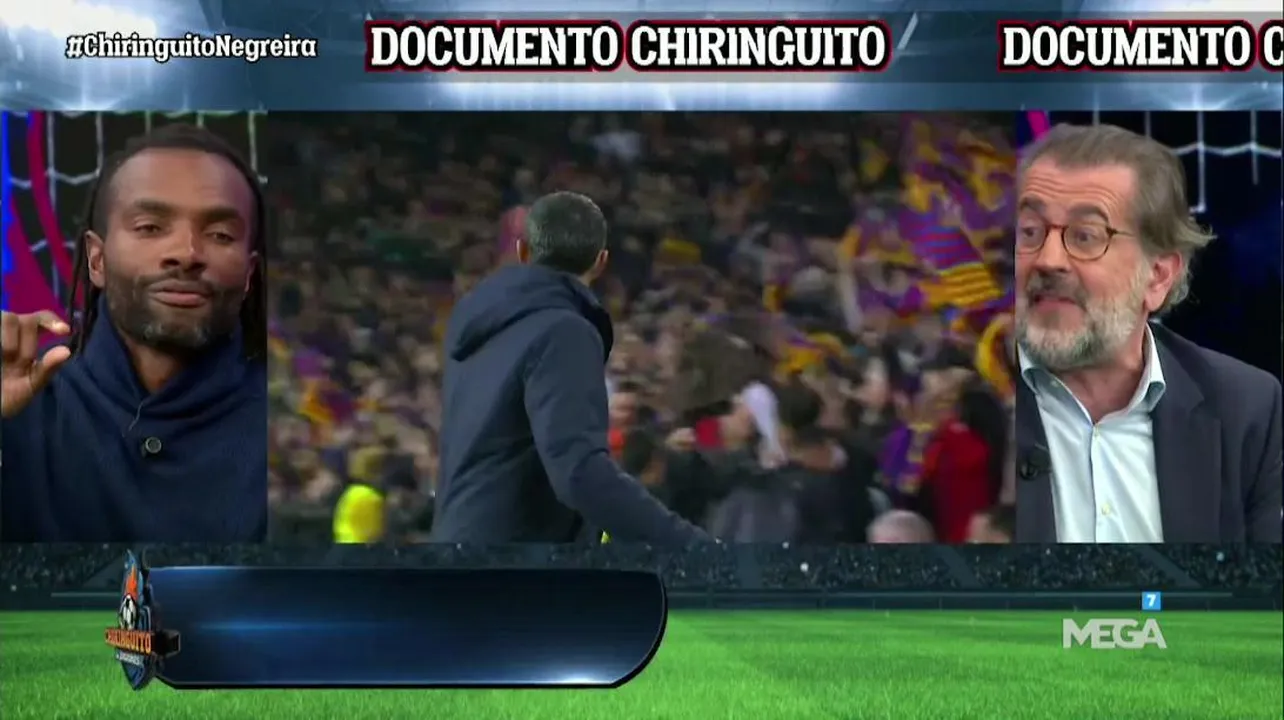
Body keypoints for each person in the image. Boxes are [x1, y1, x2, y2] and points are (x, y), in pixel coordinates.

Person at [1012, 123, 1282, 543]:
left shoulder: (1246, 410)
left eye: (1085, 236)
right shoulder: (976, 405)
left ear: (1157, 277)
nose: (1047, 260)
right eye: (1030, 232)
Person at [1, 124, 268, 542]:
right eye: (150, 227)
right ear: (97, 261)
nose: (186, 254)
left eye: (220, 235)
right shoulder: (21, 408)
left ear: (249, 274)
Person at [431, 191, 711, 544]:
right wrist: (691, 546)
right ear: (600, 261)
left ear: (524, 252)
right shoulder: (564, 331)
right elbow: (579, 473)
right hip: (514, 560)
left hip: (455, 548)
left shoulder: (473, 327)